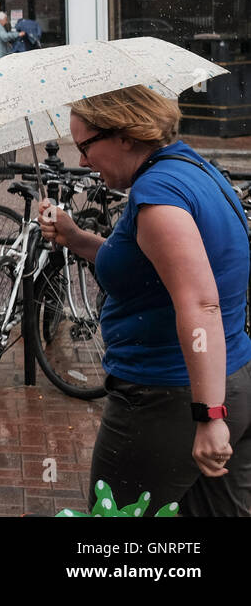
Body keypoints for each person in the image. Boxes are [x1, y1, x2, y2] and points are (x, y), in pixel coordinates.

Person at [38, 86, 251, 515]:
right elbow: (146, 270)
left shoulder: (158, 198)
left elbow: (200, 306)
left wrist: (209, 416)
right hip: (231, 379)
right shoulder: (192, 169)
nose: (81, 161)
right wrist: (75, 237)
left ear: (125, 136)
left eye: (85, 146)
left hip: (166, 398)